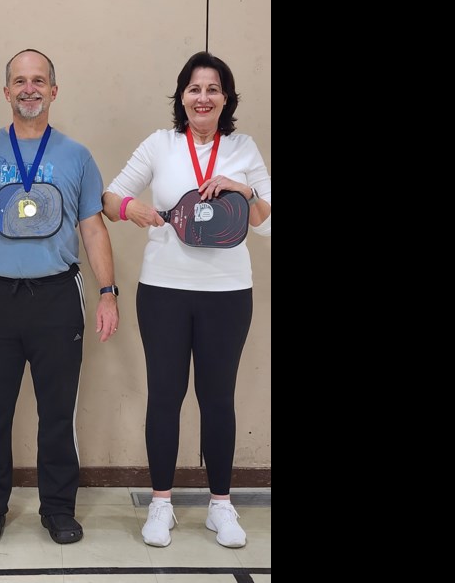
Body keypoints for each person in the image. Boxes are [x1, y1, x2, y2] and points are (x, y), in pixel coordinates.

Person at [0, 49, 119, 546]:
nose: (29, 88)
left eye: (39, 80)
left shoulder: (76, 155)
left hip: (58, 297)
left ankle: (58, 509)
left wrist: (108, 292)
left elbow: (92, 227)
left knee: (58, 413)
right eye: (20, 81)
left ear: (54, 91)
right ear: (6, 92)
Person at [102, 51, 270, 549]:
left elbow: (265, 219)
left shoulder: (243, 147)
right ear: (182, 97)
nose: (203, 97)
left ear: (226, 98)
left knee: (218, 399)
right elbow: (110, 199)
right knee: (165, 396)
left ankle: (221, 506)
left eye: (213, 89)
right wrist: (133, 208)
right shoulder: (161, 145)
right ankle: (161, 504)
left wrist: (243, 188)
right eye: (194, 88)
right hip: (164, 292)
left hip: (227, 293)